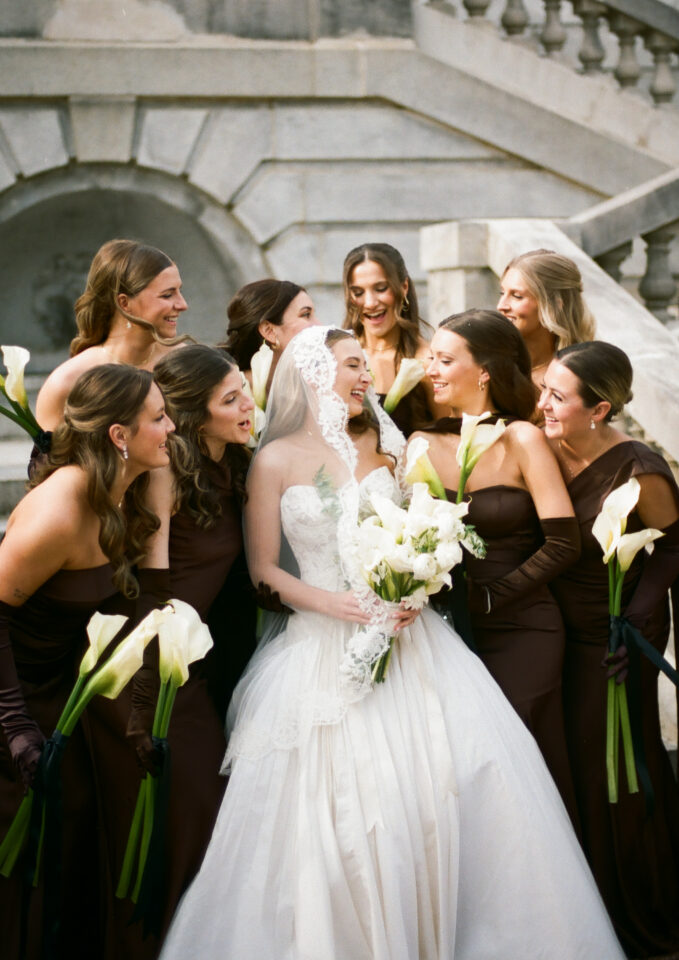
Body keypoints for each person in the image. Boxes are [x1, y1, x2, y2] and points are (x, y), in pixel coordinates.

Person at [159, 325, 623, 960]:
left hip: (412, 642)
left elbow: (424, 531)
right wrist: (337, 603)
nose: (365, 377)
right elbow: (265, 569)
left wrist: (413, 585)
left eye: (362, 366)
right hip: (320, 642)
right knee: (338, 809)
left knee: (447, 786)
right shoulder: (271, 461)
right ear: (315, 375)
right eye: (351, 365)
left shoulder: (387, 448)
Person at [0, 365, 175, 960]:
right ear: (120, 435)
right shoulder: (60, 512)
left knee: (71, 851)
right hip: (14, 695)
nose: (172, 427)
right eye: (159, 417)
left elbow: (143, 601)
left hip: (63, 695)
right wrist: (17, 728)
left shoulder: (131, 488)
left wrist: (142, 709)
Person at [92, 346, 257, 957]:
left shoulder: (234, 465)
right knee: (191, 813)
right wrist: (145, 700)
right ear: (194, 415)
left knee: (202, 817)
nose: (247, 406)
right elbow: (152, 591)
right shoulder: (168, 475)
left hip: (197, 663)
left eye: (245, 390)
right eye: (231, 399)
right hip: (154, 665)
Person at [411, 309, 580, 821]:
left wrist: (492, 595)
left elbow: (563, 543)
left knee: (523, 753)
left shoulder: (522, 439)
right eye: (430, 359)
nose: (431, 370)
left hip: (524, 625)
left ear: (484, 370)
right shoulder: (420, 444)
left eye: (444, 360)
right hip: (448, 632)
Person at [539, 341, 679, 958]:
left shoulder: (638, 466)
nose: (542, 403)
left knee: (617, 769)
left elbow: (672, 545)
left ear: (598, 409)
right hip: (551, 628)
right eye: (544, 389)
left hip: (613, 631)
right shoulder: (542, 445)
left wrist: (640, 619)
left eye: (557, 397)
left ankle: (640, 910)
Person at [35, 238, 189, 434]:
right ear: (125, 303)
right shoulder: (67, 383)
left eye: (179, 292)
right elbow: (50, 463)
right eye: (168, 295)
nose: (183, 305)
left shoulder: (184, 366)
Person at [342, 242, 441, 436]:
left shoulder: (428, 363)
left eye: (380, 288)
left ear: (403, 287)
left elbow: (449, 442)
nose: (370, 303)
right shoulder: (336, 357)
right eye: (358, 292)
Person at [497, 248, 595, 396]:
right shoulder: (488, 366)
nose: (501, 306)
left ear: (555, 304)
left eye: (517, 296)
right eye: (502, 293)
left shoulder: (581, 378)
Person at [221, 278, 318, 396]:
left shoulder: (315, 383)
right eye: (306, 315)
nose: (319, 325)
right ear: (269, 331)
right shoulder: (235, 392)